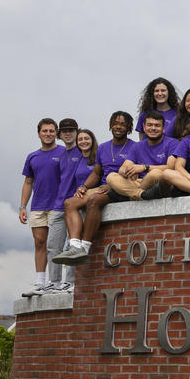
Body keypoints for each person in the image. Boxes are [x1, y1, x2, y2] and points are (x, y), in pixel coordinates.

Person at [53, 112, 136, 266]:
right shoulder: (103, 147)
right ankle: (75, 246)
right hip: (102, 187)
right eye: (115, 123)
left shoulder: (134, 147)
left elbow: (135, 175)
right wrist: (84, 186)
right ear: (111, 125)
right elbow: (97, 173)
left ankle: (85, 247)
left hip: (121, 189)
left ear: (129, 127)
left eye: (123, 124)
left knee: (93, 200)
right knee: (69, 203)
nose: (118, 126)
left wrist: (112, 184)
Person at [19, 118, 64, 296]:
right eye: (45, 131)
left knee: (55, 245)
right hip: (38, 206)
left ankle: (57, 283)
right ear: (39, 133)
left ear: (57, 133)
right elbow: (28, 182)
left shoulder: (63, 153)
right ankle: (40, 282)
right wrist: (22, 206)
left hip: (57, 205)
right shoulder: (32, 157)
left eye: (51, 131)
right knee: (39, 243)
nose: (48, 134)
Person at [107, 111, 179, 200]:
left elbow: (170, 167)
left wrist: (144, 167)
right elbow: (123, 168)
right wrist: (128, 172)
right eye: (149, 125)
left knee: (156, 173)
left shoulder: (173, 143)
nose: (153, 128)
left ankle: (129, 194)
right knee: (111, 177)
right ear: (144, 128)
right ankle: (141, 194)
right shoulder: (137, 146)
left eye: (157, 125)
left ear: (163, 128)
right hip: (138, 182)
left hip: (156, 182)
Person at [45, 118, 81, 293]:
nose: (68, 133)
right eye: (65, 130)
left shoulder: (82, 151)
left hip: (75, 206)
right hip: (58, 206)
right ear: (60, 134)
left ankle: (70, 282)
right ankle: (54, 282)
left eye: (71, 130)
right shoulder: (58, 155)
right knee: (53, 246)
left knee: (72, 246)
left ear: (77, 131)